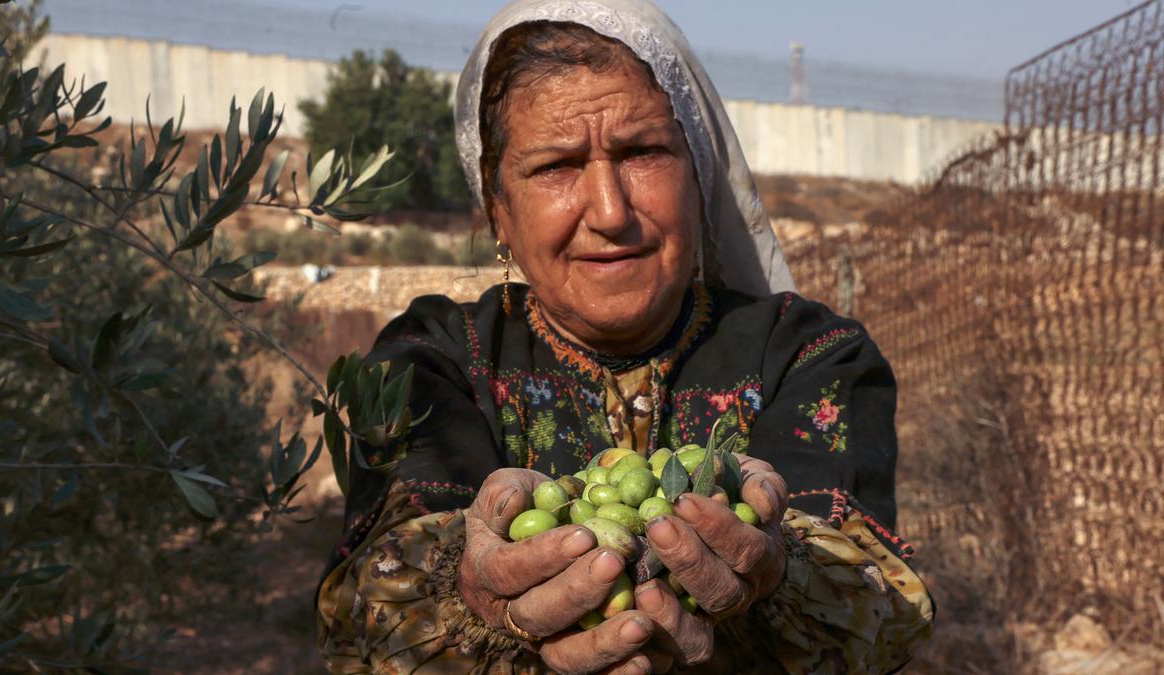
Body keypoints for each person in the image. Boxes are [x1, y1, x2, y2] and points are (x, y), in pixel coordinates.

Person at [316, 1, 933, 672]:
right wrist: (470, 593)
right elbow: (372, 601)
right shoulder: (431, 358)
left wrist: (778, 568)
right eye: (556, 166)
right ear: (499, 213)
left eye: (643, 152)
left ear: (698, 181)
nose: (610, 213)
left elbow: (878, 608)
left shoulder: (808, 355)